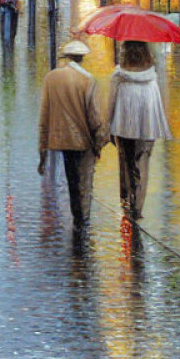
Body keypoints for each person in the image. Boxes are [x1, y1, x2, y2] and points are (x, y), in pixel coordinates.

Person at [38, 39, 108, 229]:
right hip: (84, 141)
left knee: (72, 179)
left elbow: (44, 115)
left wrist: (42, 151)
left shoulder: (51, 79)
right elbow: (94, 116)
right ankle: (82, 222)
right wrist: (100, 140)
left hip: (61, 140)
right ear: (82, 58)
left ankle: (77, 217)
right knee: (84, 182)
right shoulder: (88, 81)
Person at [106, 40, 172, 220]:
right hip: (147, 127)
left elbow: (111, 103)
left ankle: (128, 198)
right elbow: (159, 104)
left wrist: (107, 127)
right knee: (142, 164)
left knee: (126, 162)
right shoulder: (152, 78)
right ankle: (138, 207)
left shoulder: (118, 76)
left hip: (124, 126)